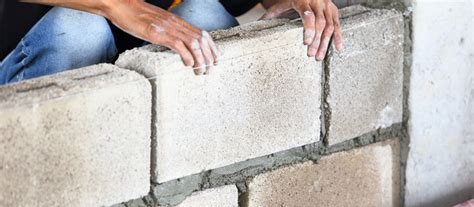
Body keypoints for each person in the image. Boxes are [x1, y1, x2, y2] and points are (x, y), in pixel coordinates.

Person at [0, 0, 342, 85]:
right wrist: (120, 5)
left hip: (129, 104)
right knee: (78, 29)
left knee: (206, 17)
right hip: (27, 88)